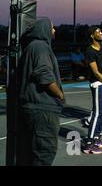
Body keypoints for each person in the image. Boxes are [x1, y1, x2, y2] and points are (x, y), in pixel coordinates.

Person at [16, 18, 65, 166]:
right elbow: (44, 75)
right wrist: (60, 95)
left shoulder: (31, 47)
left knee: (31, 153)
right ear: (44, 29)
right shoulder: (41, 47)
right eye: (52, 28)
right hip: (42, 108)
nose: (54, 30)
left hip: (32, 107)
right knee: (45, 153)